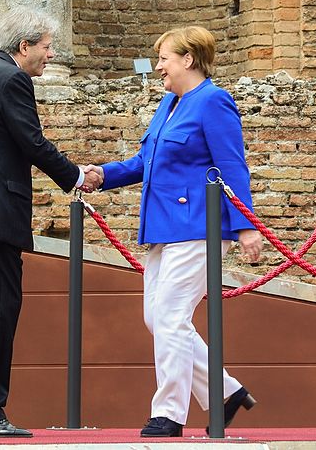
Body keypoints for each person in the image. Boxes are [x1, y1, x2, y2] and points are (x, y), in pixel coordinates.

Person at [85, 26, 262, 437]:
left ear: (188, 59)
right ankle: (227, 391)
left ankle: (168, 414)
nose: (159, 65)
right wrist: (102, 175)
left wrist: (246, 226)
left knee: (170, 317)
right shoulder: (169, 104)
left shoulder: (213, 101)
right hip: (162, 228)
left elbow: (232, 166)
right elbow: (144, 161)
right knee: (158, 318)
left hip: (197, 226)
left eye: (164, 57)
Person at [0, 6, 102, 438]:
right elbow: (31, 142)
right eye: (47, 47)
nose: (51, 55)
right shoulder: (11, 79)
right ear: (24, 46)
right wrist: (75, 175)